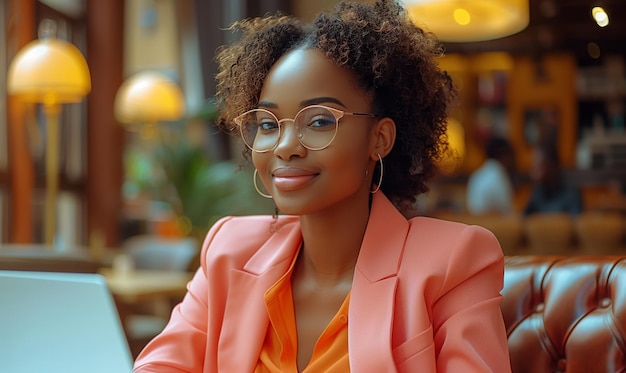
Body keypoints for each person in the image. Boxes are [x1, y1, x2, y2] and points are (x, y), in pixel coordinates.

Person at [133, 1, 511, 371]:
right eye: (268, 124)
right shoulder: (228, 252)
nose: (285, 146)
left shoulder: (454, 262)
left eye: (318, 121)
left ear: (379, 139)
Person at [524, 143, 583, 216]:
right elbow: (524, 219)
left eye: (540, 166)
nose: (535, 173)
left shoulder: (571, 194)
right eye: (535, 166)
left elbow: (576, 223)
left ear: (553, 166)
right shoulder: (538, 193)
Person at [466, 137, 517, 214]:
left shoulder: (476, 175)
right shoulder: (498, 175)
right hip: (494, 224)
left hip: (474, 222)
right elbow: (507, 212)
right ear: (504, 156)